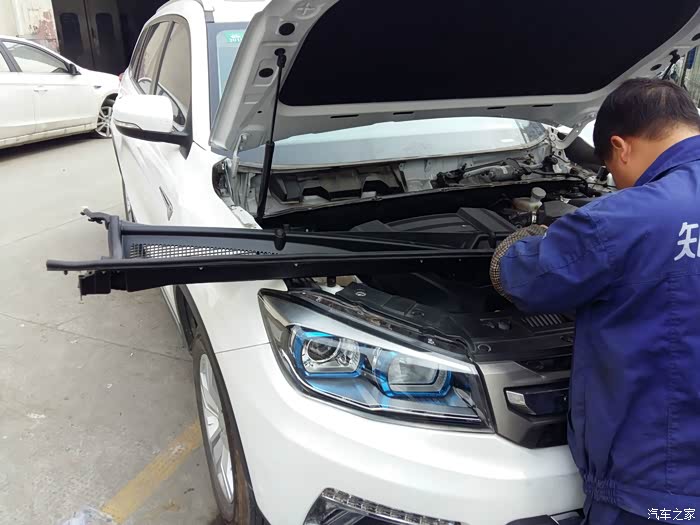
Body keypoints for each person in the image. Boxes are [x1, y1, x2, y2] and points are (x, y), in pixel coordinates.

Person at [490, 78, 700, 524]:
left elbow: (523, 277)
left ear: (620, 147)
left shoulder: (625, 218)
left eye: (609, 168)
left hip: (657, 484)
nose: (616, 183)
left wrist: (522, 239)